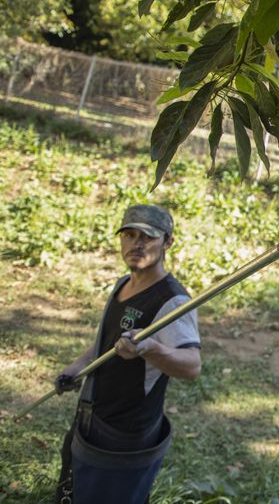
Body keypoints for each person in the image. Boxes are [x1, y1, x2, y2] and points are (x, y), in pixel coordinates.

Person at [53, 204, 202, 504]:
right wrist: (76, 368)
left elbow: (192, 366)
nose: (137, 244)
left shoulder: (172, 301)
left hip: (125, 432)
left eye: (147, 237)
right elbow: (105, 343)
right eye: (130, 235)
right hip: (93, 415)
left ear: (167, 242)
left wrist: (150, 348)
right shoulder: (124, 284)